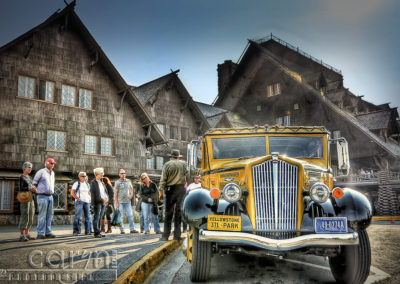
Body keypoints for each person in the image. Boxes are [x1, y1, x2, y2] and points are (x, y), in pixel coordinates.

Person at [159, 149, 188, 241]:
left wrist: (161, 191)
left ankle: (165, 235)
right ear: (179, 156)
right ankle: (177, 235)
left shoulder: (167, 165)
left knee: (168, 213)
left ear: (171, 156)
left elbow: (163, 179)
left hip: (170, 190)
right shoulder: (184, 164)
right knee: (178, 212)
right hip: (181, 189)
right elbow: (189, 175)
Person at [33, 158, 56, 239]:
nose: (52, 165)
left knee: (49, 215)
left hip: (50, 196)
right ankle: (40, 233)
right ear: (46, 163)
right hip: (42, 196)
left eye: (53, 164)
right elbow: (34, 183)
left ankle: (48, 232)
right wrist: (35, 189)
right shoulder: (41, 172)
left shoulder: (53, 173)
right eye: (51, 163)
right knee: (42, 215)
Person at [115, 169, 138, 234]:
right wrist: (116, 202)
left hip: (128, 201)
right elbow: (116, 192)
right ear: (119, 174)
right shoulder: (117, 182)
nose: (123, 174)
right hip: (120, 201)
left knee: (130, 215)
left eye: (124, 173)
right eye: (122, 173)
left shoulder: (128, 181)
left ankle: (132, 229)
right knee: (121, 216)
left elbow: (131, 189)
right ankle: (122, 230)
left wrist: (131, 195)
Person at [18, 162, 37, 241]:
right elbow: (21, 188)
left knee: (31, 216)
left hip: (31, 198)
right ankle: (22, 235)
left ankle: (27, 234)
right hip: (24, 198)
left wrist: (35, 189)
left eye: (31, 167)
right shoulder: (21, 177)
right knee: (25, 215)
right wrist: (29, 189)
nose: (30, 168)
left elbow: (32, 186)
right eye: (29, 167)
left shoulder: (30, 177)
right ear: (24, 168)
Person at [71, 172, 91, 236]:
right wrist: (78, 198)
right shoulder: (77, 183)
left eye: (85, 176)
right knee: (78, 216)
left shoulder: (87, 184)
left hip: (87, 202)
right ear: (79, 177)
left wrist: (89, 199)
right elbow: (72, 193)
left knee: (88, 217)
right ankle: (76, 231)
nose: (84, 177)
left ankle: (87, 231)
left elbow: (89, 192)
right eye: (82, 176)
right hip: (79, 202)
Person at [91, 168, 109, 238]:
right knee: (96, 217)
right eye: (102, 173)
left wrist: (107, 200)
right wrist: (102, 200)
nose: (103, 174)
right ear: (97, 174)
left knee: (100, 218)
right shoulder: (93, 183)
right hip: (97, 203)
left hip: (103, 203)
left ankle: (99, 232)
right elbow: (95, 195)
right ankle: (96, 233)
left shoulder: (102, 182)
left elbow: (104, 193)